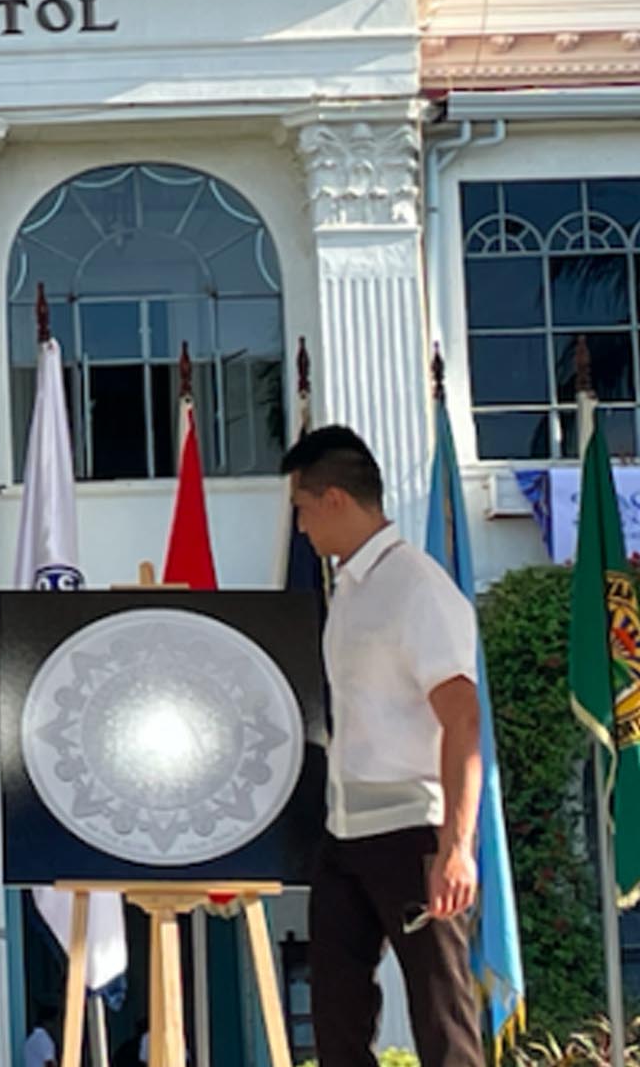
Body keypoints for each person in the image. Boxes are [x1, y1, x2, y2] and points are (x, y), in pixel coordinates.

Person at [282, 426, 485, 1067]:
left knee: (442, 1020)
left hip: (414, 834)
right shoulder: (350, 590)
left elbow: (463, 718)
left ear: (335, 499)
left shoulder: (417, 588)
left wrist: (456, 847)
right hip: (344, 833)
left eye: (303, 509)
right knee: (336, 1019)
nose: (301, 527)